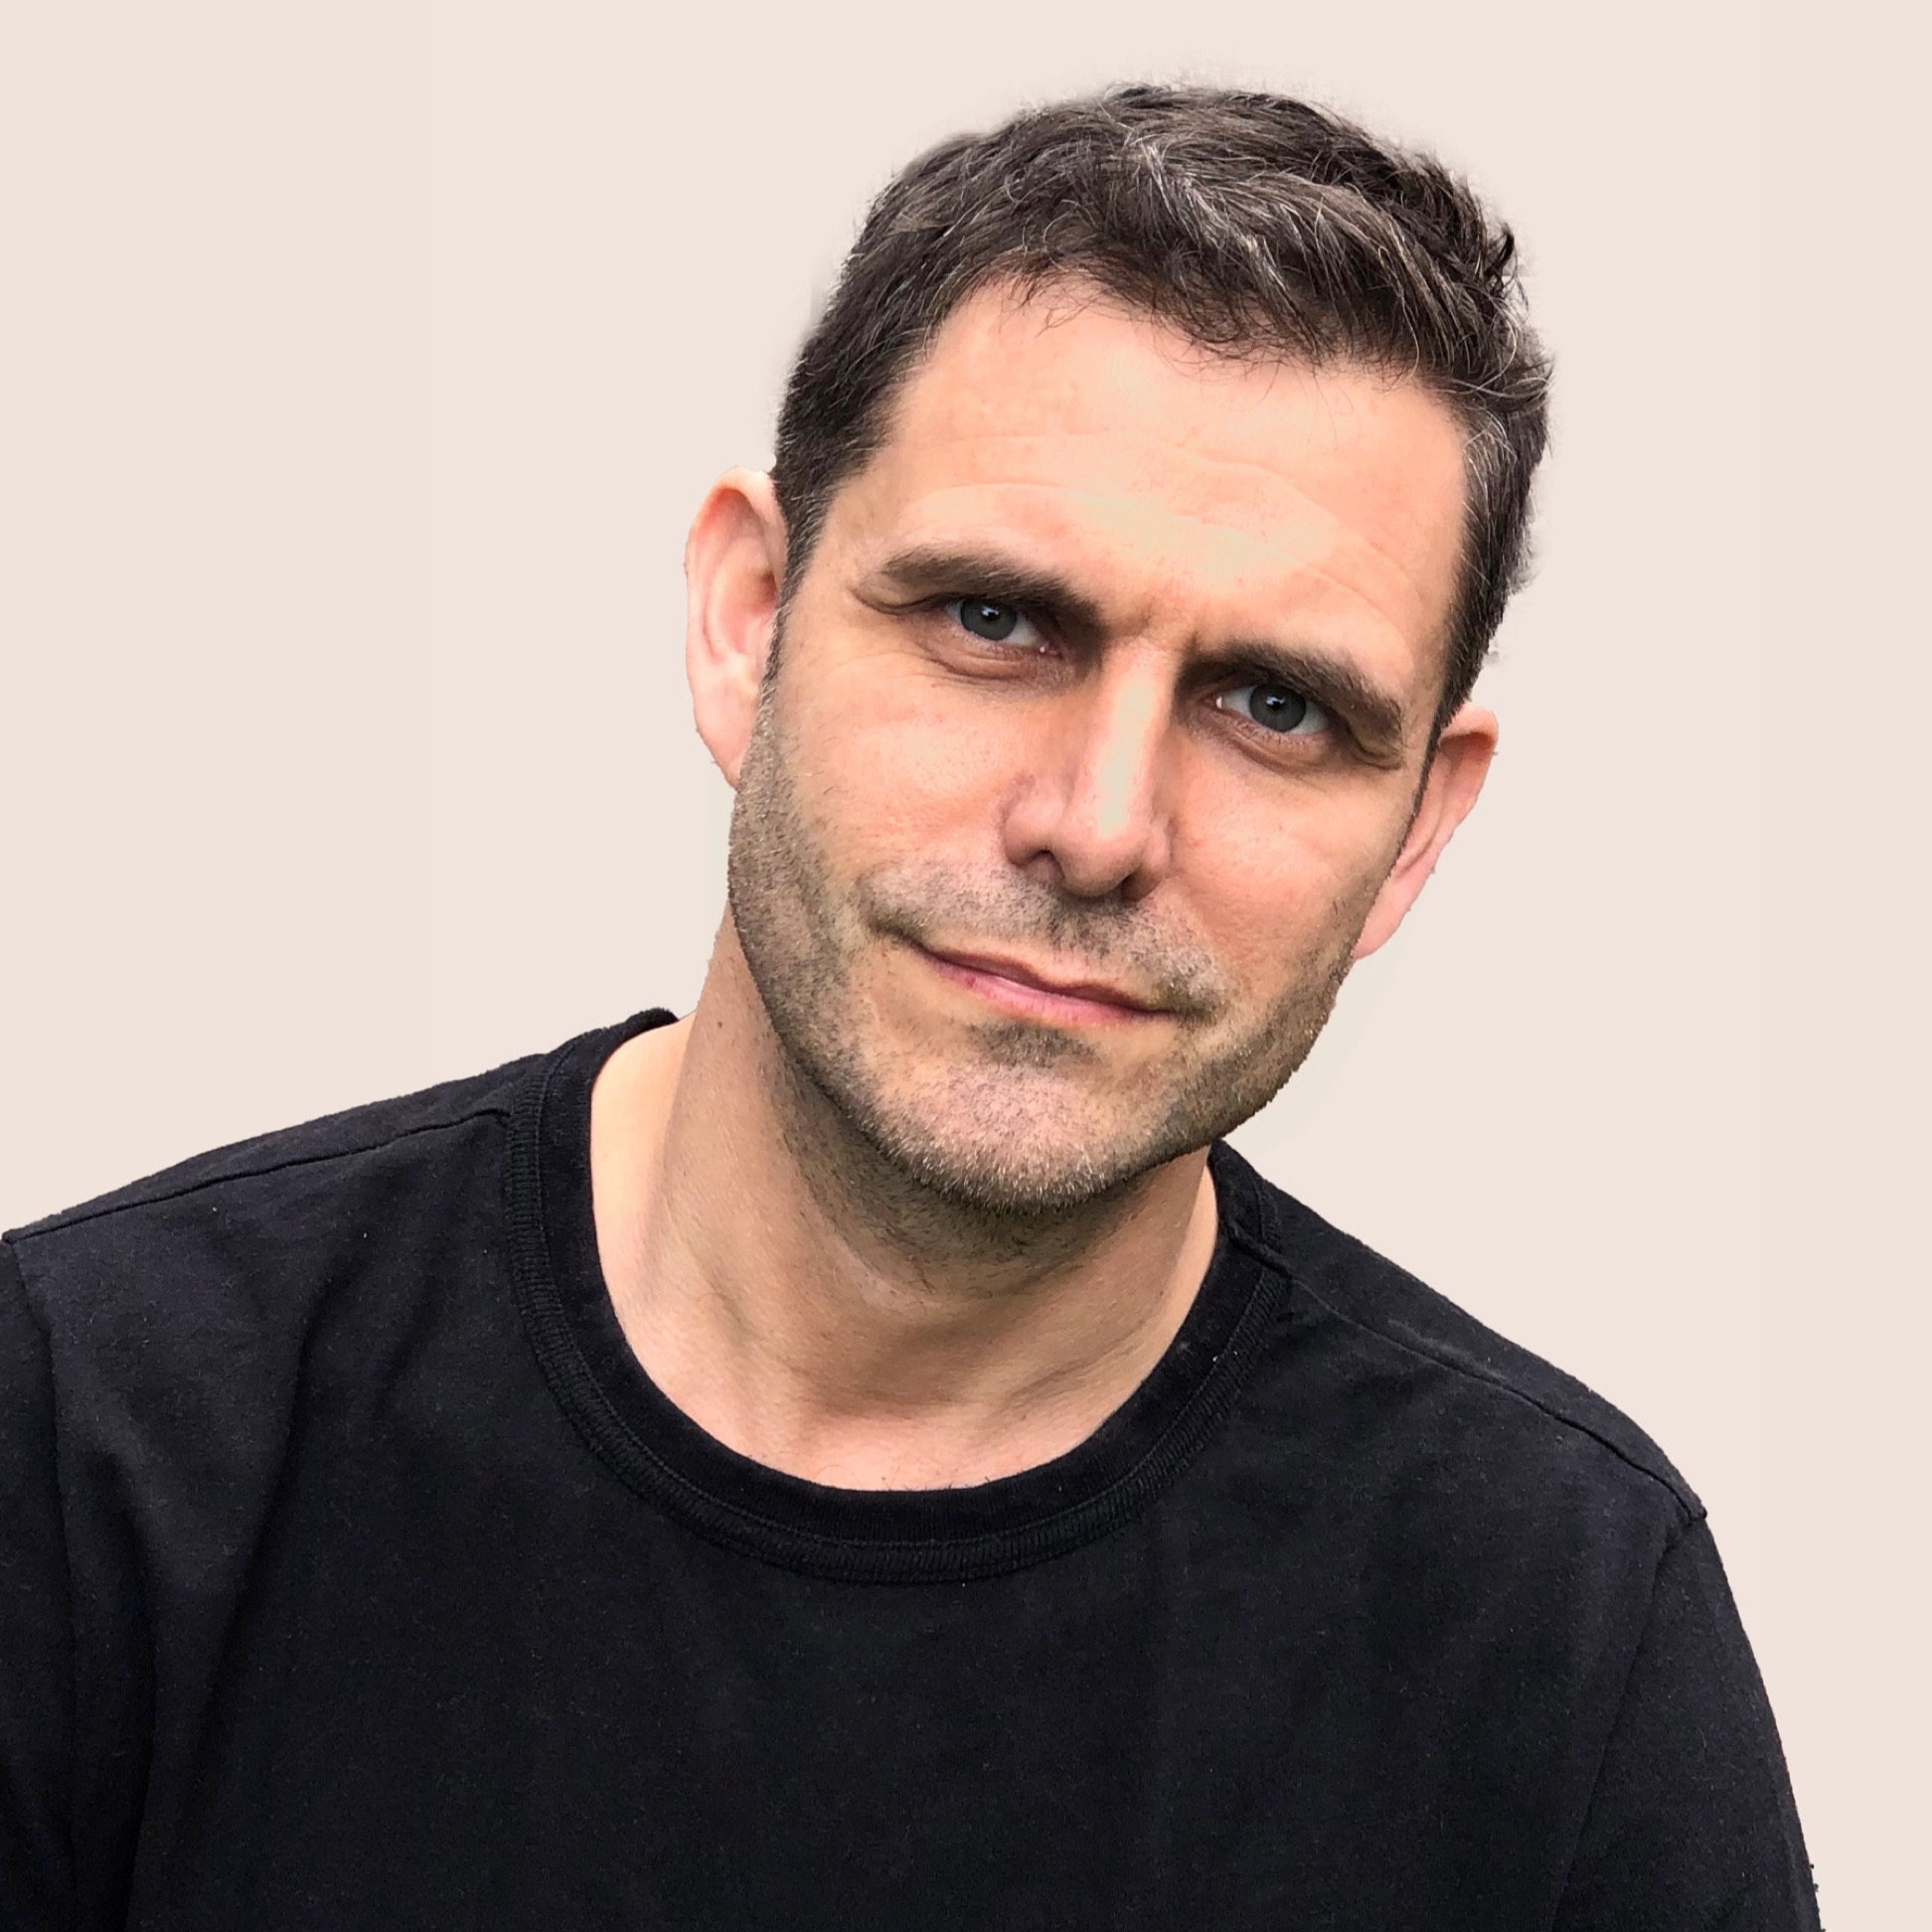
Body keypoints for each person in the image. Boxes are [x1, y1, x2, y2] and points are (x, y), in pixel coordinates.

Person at [0, 84, 1817, 1929]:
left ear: (1419, 825)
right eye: (994, 621)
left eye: (1276, 707)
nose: (1098, 826)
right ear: (750, 617)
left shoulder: (1559, 1633)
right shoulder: (88, 1441)